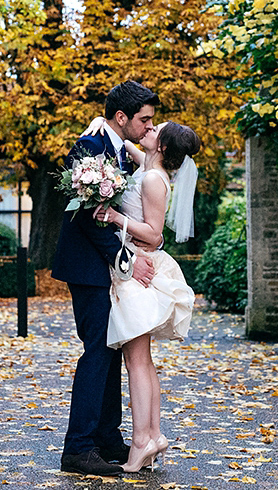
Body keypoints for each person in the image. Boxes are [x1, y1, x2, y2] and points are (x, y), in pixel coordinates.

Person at [52, 81, 160, 477]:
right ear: (121, 118)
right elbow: (86, 215)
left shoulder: (116, 150)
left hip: (106, 268)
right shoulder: (90, 147)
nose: (149, 127)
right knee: (97, 349)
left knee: (111, 348)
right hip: (87, 267)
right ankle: (78, 447)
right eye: (144, 120)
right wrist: (125, 258)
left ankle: (107, 437)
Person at [92, 120, 202, 473]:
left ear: (164, 147)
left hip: (137, 271)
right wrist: (101, 122)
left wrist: (113, 217)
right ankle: (152, 435)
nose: (150, 128)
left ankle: (141, 442)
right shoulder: (149, 166)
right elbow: (127, 147)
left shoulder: (154, 179)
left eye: (157, 129)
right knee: (144, 360)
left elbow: (154, 235)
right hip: (134, 266)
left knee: (136, 361)